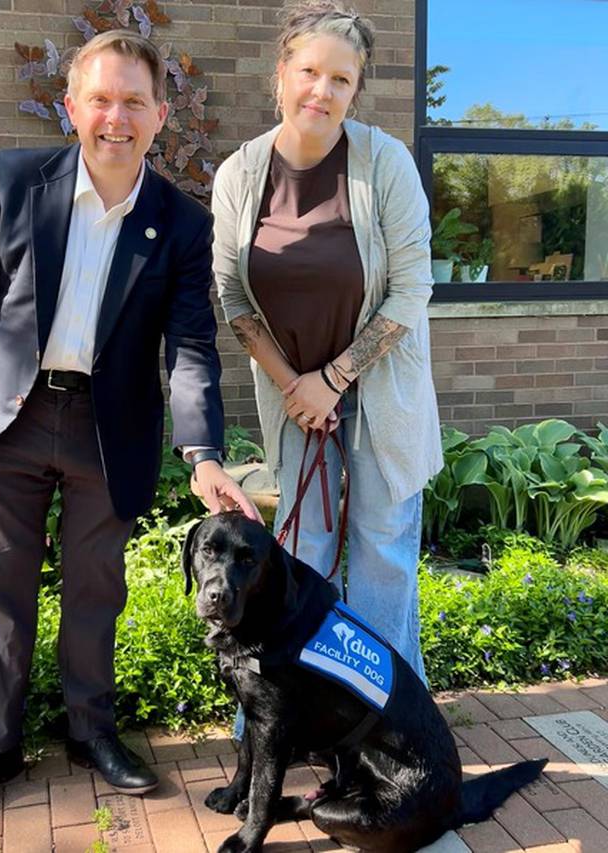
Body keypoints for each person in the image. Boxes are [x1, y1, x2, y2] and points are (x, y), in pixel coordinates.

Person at [0, 30, 257, 823]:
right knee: (2, 592)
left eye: (134, 102)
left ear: (160, 114)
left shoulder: (181, 223)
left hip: (107, 430)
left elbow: (188, 343)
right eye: (101, 99)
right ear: (72, 106)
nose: (117, 117)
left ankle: (91, 732)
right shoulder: (12, 180)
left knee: (95, 590)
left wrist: (203, 451)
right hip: (8, 417)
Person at [212, 0, 442, 703]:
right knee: (299, 553)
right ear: (281, 74)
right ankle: (292, 708)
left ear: (356, 88)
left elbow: (411, 289)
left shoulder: (385, 163)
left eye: (341, 80)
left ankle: (384, 712)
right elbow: (234, 298)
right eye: (309, 71)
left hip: (380, 393)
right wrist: (296, 388)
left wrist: (333, 379)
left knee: (381, 559)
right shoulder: (239, 175)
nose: (323, 90)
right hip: (293, 401)